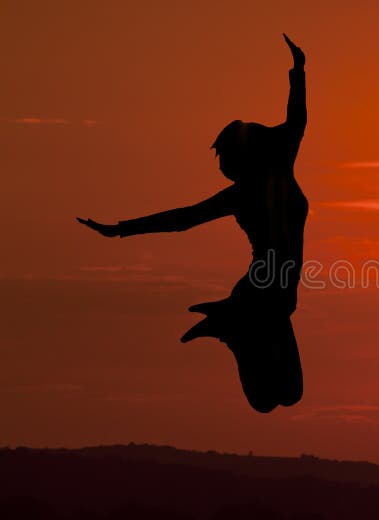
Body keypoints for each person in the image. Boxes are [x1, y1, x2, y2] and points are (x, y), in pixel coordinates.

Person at [77, 34, 309, 413]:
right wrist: (120, 229)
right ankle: (234, 331)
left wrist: (298, 71)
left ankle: (233, 331)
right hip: (260, 292)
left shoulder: (278, 167)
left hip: (279, 293)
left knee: (288, 394)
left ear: (241, 155)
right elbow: (181, 219)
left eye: (224, 157)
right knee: (271, 399)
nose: (220, 167)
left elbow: (296, 118)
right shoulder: (244, 192)